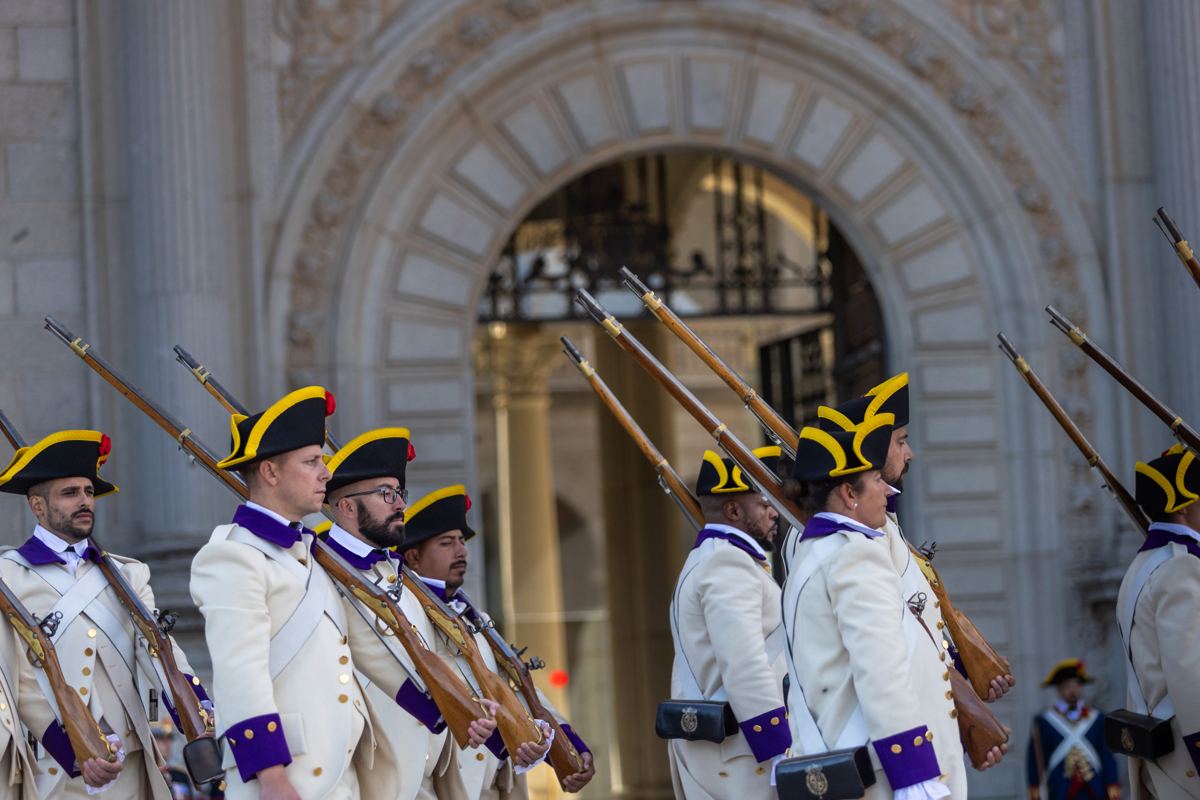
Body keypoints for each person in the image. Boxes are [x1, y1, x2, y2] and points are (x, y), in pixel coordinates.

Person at [191, 386, 409, 800]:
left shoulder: (311, 554)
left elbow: (365, 646)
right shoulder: (232, 556)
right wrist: (271, 778)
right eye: (311, 462)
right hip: (286, 780)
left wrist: (440, 706)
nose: (326, 473)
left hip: (340, 780)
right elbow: (241, 675)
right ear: (270, 473)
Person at [781, 412, 1004, 800]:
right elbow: (881, 673)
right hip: (883, 775)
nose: (889, 491)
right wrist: (914, 777)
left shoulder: (813, 553)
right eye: (877, 482)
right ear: (849, 494)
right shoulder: (855, 557)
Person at [0, 428, 203, 799]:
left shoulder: (128, 574)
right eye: (70, 493)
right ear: (37, 506)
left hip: (134, 765)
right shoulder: (8, 577)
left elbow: (160, 650)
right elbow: (18, 680)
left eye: (89, 492)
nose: (85, 501)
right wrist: (72, 751)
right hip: (57, 769)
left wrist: (202, 712)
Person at [814, 372, 1015, 705]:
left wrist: (965, 668)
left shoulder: (884, 522)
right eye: (901, 441)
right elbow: (888, 644)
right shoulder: (852, 536)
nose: (910, 454)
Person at [320, 427, 496, 800]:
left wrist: (470, 705)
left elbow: (438, 661)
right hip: (359, 777)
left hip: (423, 777)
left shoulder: (399, 578)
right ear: (347, 506)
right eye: (386, 494)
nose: (400, 504)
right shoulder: (318, 570)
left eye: (399, 493)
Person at [401, 485, 588, 800]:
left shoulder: (472, 615)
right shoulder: (409, 615)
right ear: (413, 556)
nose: (461, 552)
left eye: (462, 541)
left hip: (495, 785)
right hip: (442, 786)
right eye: (446, 543)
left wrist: (568, 739)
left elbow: (512, 688)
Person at [663, 445, 790, 799]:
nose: (774, 512)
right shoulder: (727, 565)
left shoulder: (720, 558)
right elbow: (745, 666)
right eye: (765, 503)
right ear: (734, 509)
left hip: (737, 752)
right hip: (746, 758)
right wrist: (781, 748)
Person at [1115, 444, 1200, 799]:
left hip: (1165, 760)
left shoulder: (1143, 566)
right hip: (1188, 764)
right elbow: (1192, 677)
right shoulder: (1182, 567)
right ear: (1184, 507)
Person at [1026, 659, 1119, 800]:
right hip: (1060, 789)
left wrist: (1112, 782)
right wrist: (1035, 786)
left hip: (1094, 789)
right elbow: (1035, 759)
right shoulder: (1044, 722)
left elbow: (1106, 754)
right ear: (1058, 689)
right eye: (1067, 686)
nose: (1073, 690)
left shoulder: (1097, 718)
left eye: (1077, 685)